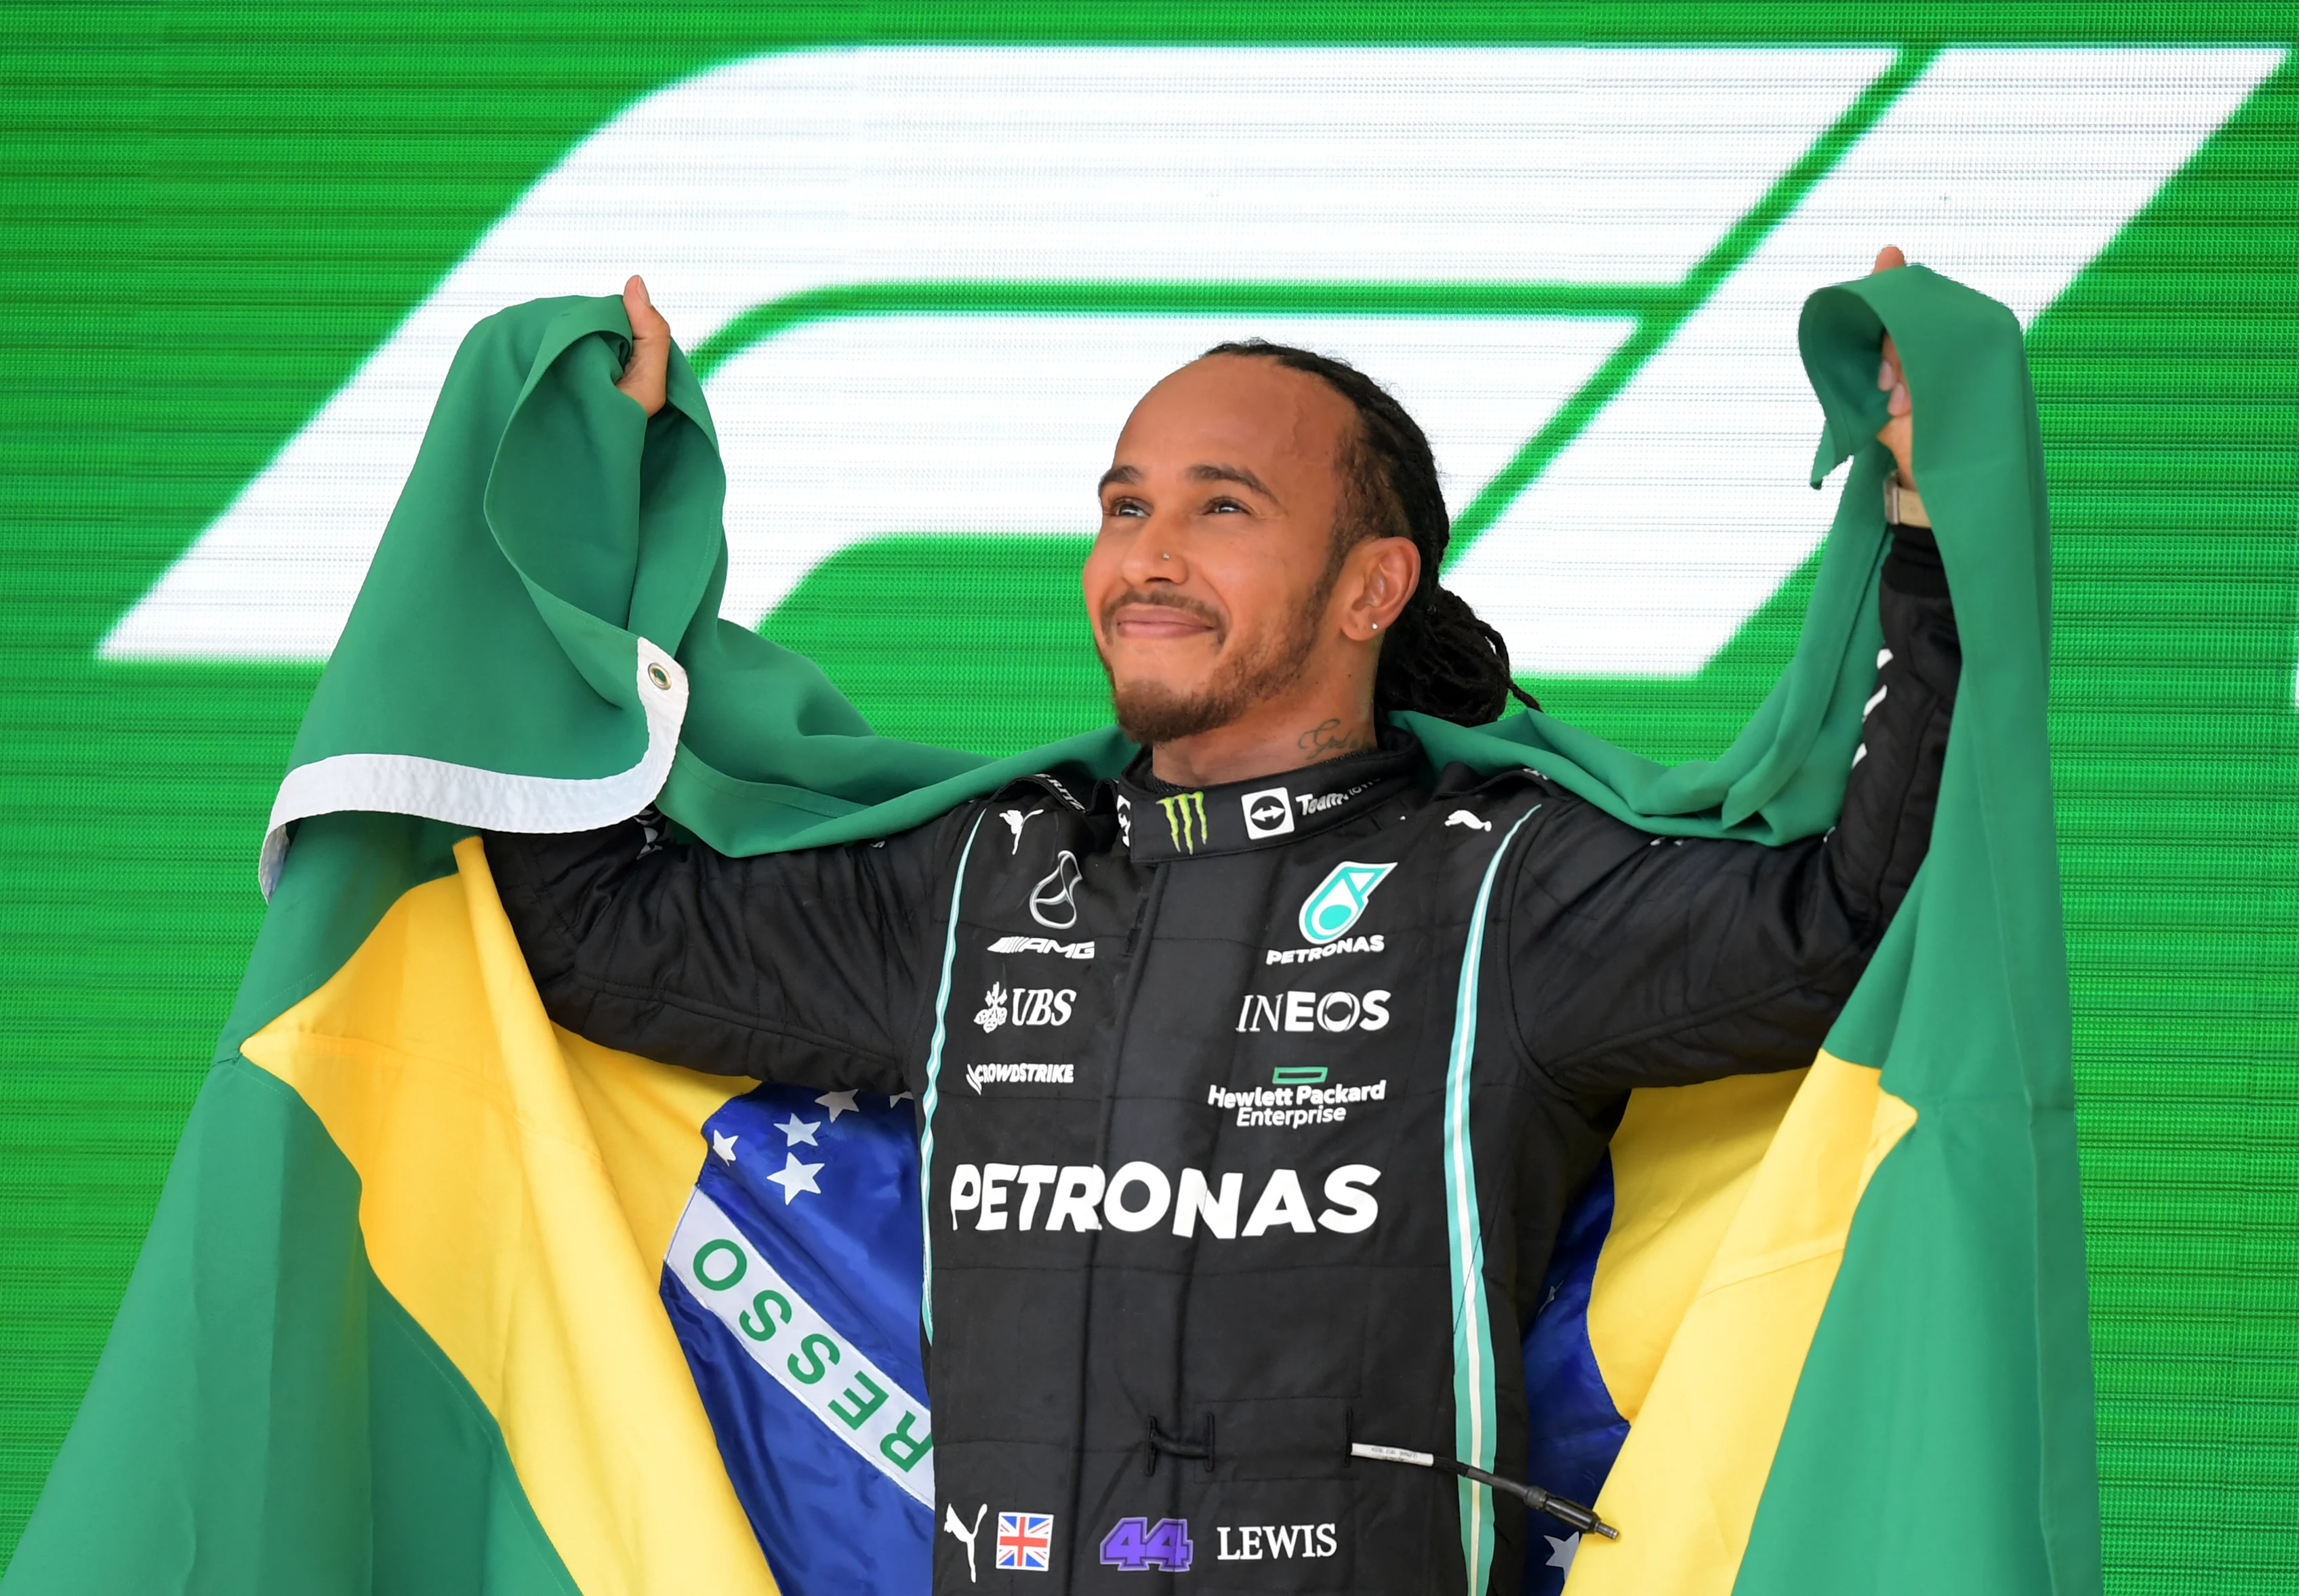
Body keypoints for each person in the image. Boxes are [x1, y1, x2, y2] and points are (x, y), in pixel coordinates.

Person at [487, 247, 1957, 1594]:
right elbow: (598, 937)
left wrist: (1923, 531)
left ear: (1372, 585)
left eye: (1222, 508)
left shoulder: (1505, 887)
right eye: (1125, 505)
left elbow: (1853, 925)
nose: (1148, 553)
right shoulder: (974, 880)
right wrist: (572, 523)